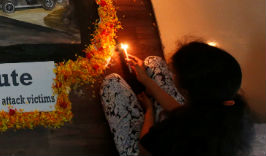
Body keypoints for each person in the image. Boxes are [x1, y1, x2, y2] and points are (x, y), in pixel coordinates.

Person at [100, 41, 254, 156]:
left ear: (186, 91)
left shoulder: (180, 133)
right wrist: (146, 81)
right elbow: (187, 113)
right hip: (184, 128)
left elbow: (144, 148)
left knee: (111, 83)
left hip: (150, 149)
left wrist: (149, 113)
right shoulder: (228, 105)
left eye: (175, 73)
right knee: (154, 62)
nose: (171, 74)